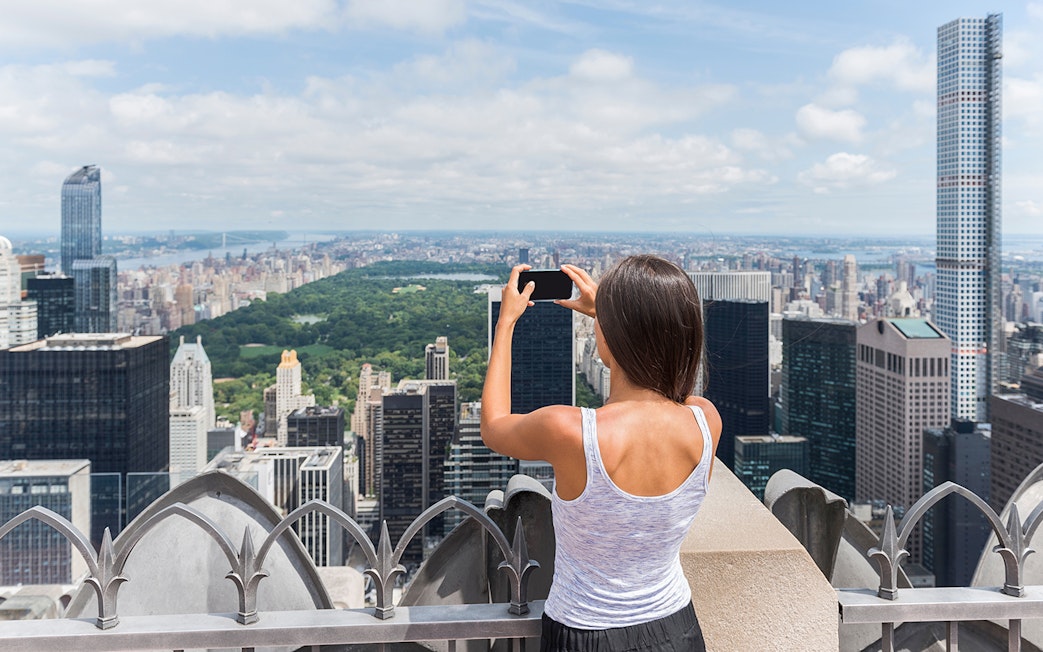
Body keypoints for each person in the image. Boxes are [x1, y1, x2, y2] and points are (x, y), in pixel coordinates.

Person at [481, 255, 722, 652]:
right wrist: (611, 317)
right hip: (678, 628)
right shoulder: (705, 420)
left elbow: (493, 426)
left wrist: (506, 322)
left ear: (608, 337)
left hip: (586, 633)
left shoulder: (572, 431)